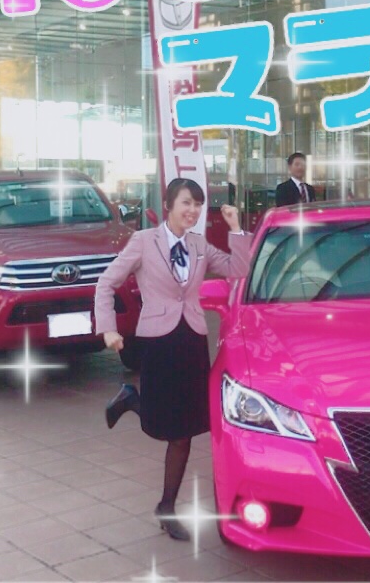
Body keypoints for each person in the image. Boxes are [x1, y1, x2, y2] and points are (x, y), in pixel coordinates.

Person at [94, 178, 252, 542]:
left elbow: (237, 269)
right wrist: (108, 329)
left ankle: (166, 507)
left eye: (197, 204)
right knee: (162, 423)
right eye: (186, 203)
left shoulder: (198, 244)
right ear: (168, 205)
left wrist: (235, 229)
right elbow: (105, 284)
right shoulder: (143, 241)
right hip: (159, 341)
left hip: (192, 339)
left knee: (185, 429)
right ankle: (132, 400)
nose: (193, 211)